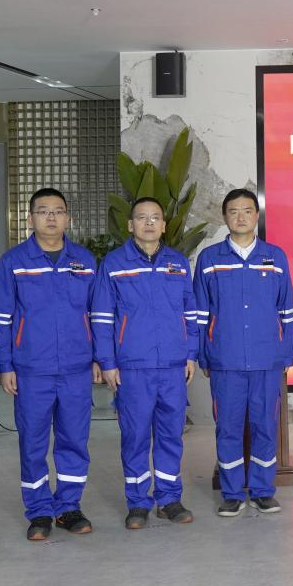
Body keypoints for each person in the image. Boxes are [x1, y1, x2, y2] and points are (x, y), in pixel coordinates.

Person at [0, 187, 101, 542]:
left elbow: (98, 314)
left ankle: (68, 507)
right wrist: (6, 365)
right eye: (43, 211)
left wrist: (99, 357)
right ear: (30, 218)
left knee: (74, 440)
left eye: (57, 211)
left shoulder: (84, 260)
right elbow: (0, 318)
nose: (51, 217)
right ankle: (38, 510)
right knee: (33, 442)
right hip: (31, 369)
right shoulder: (13, 261)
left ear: (68, 218)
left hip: (76, 368)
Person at [92, 197, 200, 529]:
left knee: (170, 435)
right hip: (132, 366)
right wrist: (107, 362)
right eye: (142, 217)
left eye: (155, 217)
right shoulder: (114, 264)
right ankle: (138, 502)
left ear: (164, 225)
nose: (149, 223)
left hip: (172, 366)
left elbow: (191, 312)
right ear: (130, 225)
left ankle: (169, 499)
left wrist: (190, 353)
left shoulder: (178, 263)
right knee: (135, 436)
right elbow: (102, 317)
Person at [195, 189, 293, 518]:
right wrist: (204, 355)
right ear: (224, 216)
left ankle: (263, 491)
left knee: (265, 426)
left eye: (247, 210)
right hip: (225, 360)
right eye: (234, 211)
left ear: (257, 215)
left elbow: (287, 311)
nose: (241, 217)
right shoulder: (210, 259)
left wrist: (286, 355)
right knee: (228, 427)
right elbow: (200, 313)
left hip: (267, 360)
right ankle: (232, 493)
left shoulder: (275, 257)